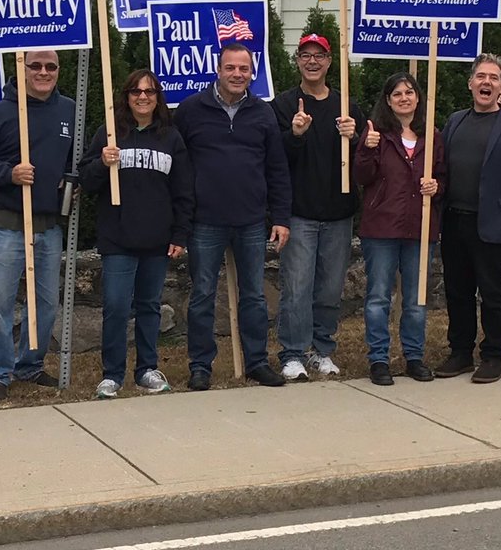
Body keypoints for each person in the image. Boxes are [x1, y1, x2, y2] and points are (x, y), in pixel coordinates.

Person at [174, 41, 292, 390]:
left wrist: (281, 216)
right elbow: (178, 166)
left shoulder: (263, 113)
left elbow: (277, 169)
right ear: (218, 68)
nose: (237, 74)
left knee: (254, 295)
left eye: (244, 69)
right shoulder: (191, 110)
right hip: (205, 221)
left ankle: (256, 361)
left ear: (252, 72)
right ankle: (200, 366)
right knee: (202, 295)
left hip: (251, 220)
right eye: (231, 67)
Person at [0, 48, 75, 401]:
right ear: (22, 69)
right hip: (7, 223)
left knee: (45, 302)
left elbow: (77, 160)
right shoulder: (0, 113)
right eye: (36, 66)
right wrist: (8, 173)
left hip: (49, 224)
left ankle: (30, 365)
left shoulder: (70, 110)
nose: (43, 72)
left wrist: (70, 180)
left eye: (51, 66)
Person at [80, 69, 194, 398]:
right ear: (126, 96)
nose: (142, 97)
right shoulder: (110, 133)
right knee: (116, 305)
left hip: (157, 239)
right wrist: (102, 162)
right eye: (135, 91)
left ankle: (146, 369)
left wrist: (180, 234)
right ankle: (112, 375)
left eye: (149, 91)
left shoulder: (171, 137)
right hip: (118, 236)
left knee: (149, 306)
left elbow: (183, 190)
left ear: (158, 97)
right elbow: (87, 181)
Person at [434, 53, 501, 384]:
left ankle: (494, 355)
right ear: (471, 83)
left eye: (494, 78)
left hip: (493, 222)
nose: (486, 82)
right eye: (481, 76)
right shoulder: (454, 121)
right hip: (455, 220)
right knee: (457, 290)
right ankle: (461, 352)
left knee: (492, 292)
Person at [270, 33, 362, 381]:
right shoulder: (282, 105)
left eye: (319, 56)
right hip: (300, 212)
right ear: (297, 61)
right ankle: (292, 353)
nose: (312, 61)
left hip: (339, 213)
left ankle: (321, 350)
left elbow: (367, 160)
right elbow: (275, 159)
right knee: (296, 287)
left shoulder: (346, 106)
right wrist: (294, 134)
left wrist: (355, 137)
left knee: (329, 289)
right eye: (305, 55)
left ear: (328, 62)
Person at [354, 72, 445, 386]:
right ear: (388, 100)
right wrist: (366, 148)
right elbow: (361, 177)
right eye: (397, 94)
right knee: (379, 296)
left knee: (416, 298)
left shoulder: (431, 135)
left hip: (420, 228)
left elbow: (444, 177)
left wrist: (438, 186)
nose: (404, 98)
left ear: (418, 98)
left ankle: (414, 357)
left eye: (409, 92)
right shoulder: (376, 133)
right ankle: (379, 359)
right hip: (381, 227)